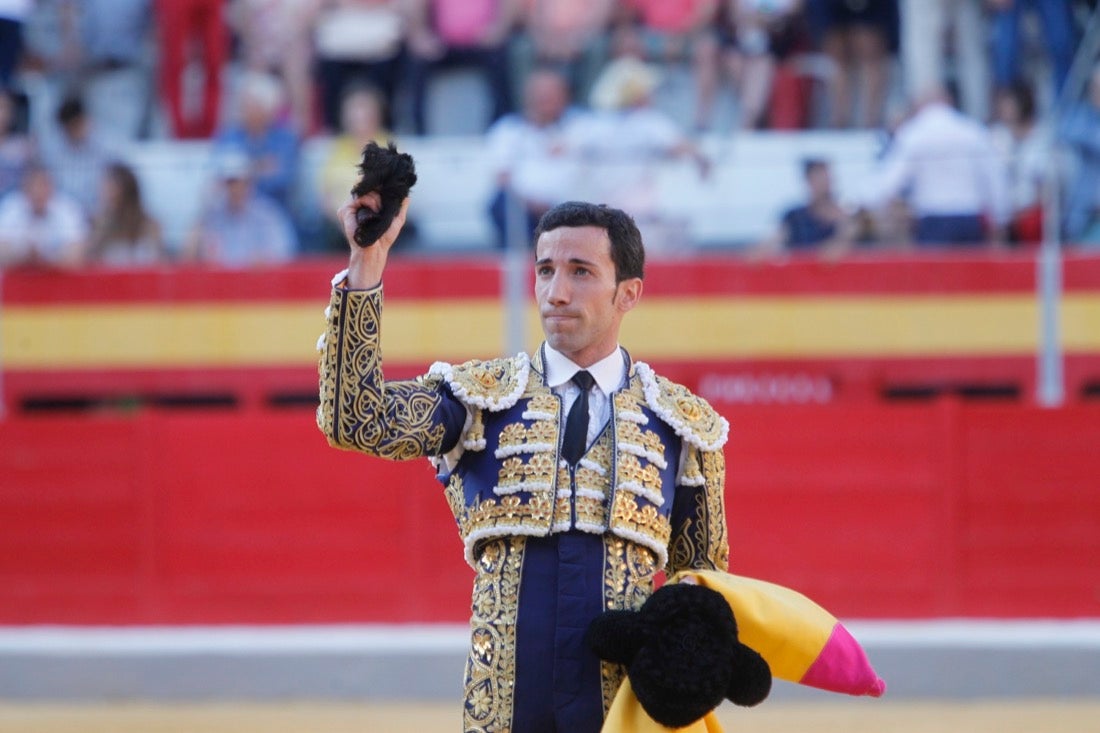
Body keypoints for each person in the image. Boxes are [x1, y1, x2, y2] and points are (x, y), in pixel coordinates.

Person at [317, 195, 730, 730]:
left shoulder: (682, 425)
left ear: (628, 293)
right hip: (503, 713)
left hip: (622, 715)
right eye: (545, 270)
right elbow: (357, 418)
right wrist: (366, 266)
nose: (556, 293)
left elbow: (701, 586)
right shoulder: (479, 399)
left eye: (581, 272)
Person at [862, 86, 1009, 247]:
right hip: (969, 218)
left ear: (921, 104)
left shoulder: (914, 133)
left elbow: (890, 182)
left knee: (937, 272)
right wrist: (1000, 221)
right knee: (969, 272)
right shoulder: (972, 130)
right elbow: (993, 177)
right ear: (949, 101)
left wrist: (871, 209)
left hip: (933, 219)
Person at [486, 66, 583, 248]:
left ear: (565, 96)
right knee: (501, 203)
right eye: (539, 94)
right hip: (524, 211)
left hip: (572, 209)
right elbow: (502, 177)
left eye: (550, 94)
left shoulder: (582, 128)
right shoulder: (508, 130)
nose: (544, 100)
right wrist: (532, 204)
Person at [403, 0, 520, 134]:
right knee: (417, 61)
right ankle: (418, 130)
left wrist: (499, 28)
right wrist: (420, 34)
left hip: (483, 42)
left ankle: (501, 129)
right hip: (442, 44)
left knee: (500, 58)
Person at [183, 148, 298, 266]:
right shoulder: (211, 217)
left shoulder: (269, 215)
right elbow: (189, 259)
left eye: (240, 182)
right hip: (220, 282)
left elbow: (284, 254)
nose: (236, 189)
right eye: (230, 183)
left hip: (259, 281)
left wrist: (263, 260)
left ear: (250, 183)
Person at [213, 70, 300, 211]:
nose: (241, 108)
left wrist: (242, 171)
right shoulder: (229, 136)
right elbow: (220, 174)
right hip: (234, 211)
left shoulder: (286, 139)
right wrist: (260, 167)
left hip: (275, 212)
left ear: (267, 108)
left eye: (249, 103)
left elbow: (282, 180)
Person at [755, 157, 855, 258]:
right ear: (808, 181)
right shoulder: (795, 218)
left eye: (827, 178)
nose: (825, 184)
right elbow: (773, 240)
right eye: (818, 179)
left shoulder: (847, 217)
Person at [988, 81, 1048, 246]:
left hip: (1030, 212)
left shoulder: (1041, 136)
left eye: (1009, 104)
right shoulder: (995, 136)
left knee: (1035, 223)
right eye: (1003, 104)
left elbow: (1044, 183)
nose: (1005, 109)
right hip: (1002, 213)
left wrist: (1026, 211)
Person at [0, 162, 87, 268]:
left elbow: (77, 253)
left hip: (58, 280)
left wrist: (46, 256)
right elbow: (2, 252)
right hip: (17, 279)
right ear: (24, 188)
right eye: (33, 186)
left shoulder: (67, 209)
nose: (38, 192)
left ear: (52, 187)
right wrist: (24, 254)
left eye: (43, 185)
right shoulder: (11, 207)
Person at [87, 161, 166, 267]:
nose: (104, 192)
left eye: (110, 187)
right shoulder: (97, 223)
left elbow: (159, 264)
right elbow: (87, 262)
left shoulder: (150, 225)